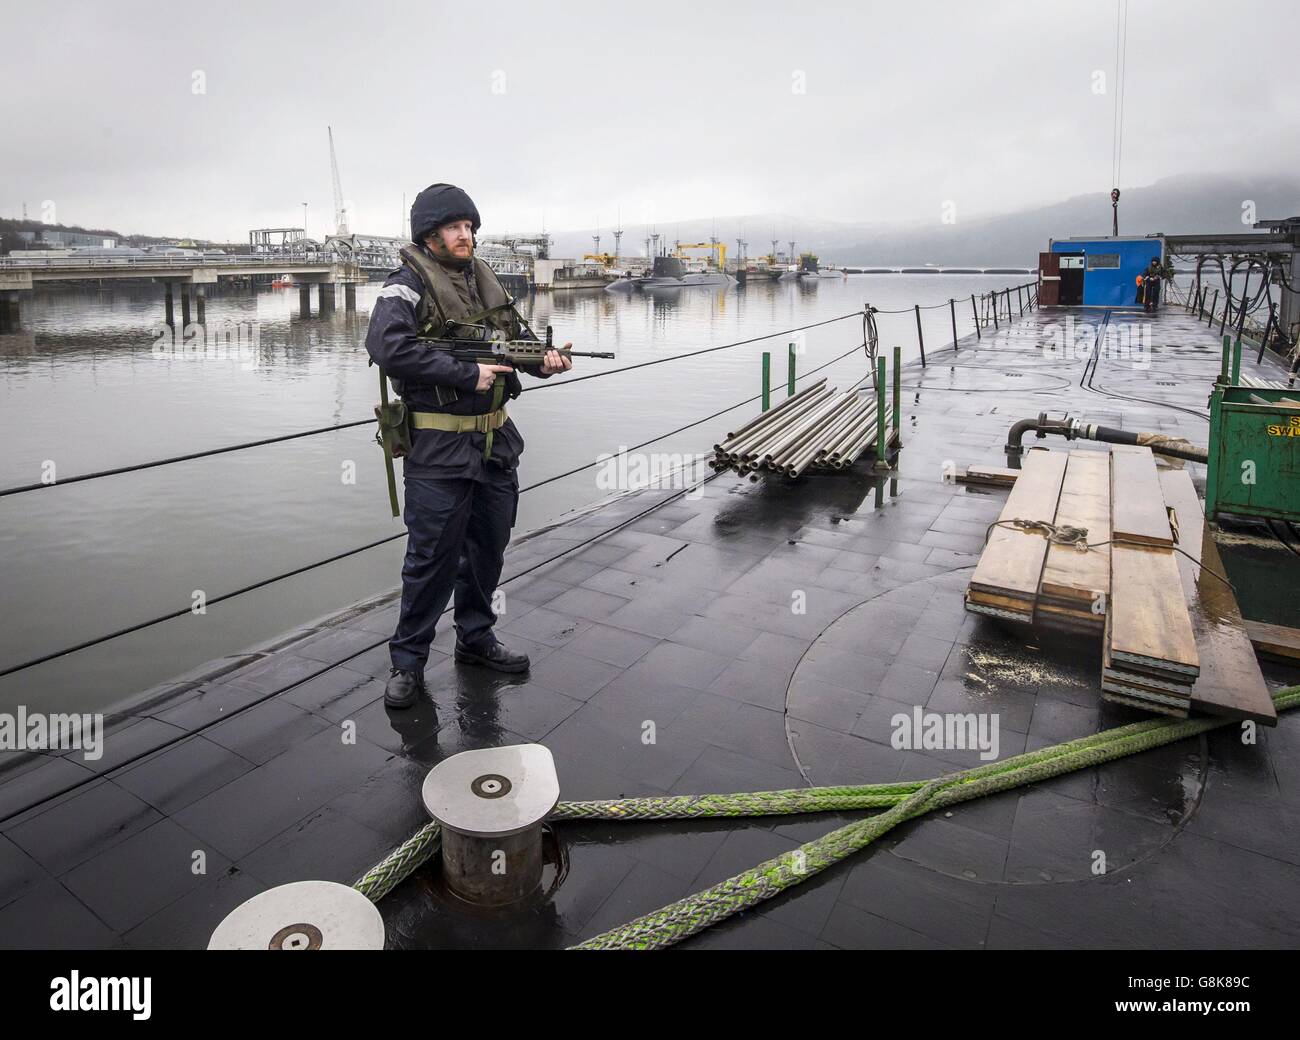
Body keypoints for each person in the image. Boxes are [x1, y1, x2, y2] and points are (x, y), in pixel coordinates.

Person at [364, 183, 572, 709]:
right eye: (456, 228)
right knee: (430, 559)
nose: (467, 236)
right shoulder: (404, 284)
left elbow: (511, 345)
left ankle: (476, 639)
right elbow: (386, 345)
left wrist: (543, 361)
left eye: (471, 227)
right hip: (437, 449)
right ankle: (407, 664)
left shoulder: (483, 281)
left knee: (487, 549)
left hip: (495, 444)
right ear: (430, 234)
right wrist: (463, 373)